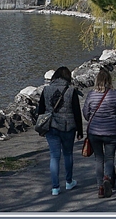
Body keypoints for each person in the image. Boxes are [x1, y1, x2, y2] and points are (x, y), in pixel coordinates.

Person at [82, 67, 116, 198]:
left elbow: (86, 113)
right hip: (111, 132)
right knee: (109, 158)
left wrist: (94, 118)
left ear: (97, 80)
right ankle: (107, 178)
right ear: (109, 80)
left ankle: (100, 187)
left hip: (94, 132)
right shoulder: (115, 94)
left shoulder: (91, 95)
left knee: (99, 158)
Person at [36, 66, 84, 196]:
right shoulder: (71, 90)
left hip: (51, 127)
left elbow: (40, 110)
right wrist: (80, 131)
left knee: (54, 156)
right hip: (68, 127)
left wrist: (41, 128)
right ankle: (69, 181)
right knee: (68, 154)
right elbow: (76, 112)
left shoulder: (46, 90)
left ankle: (55, 187)